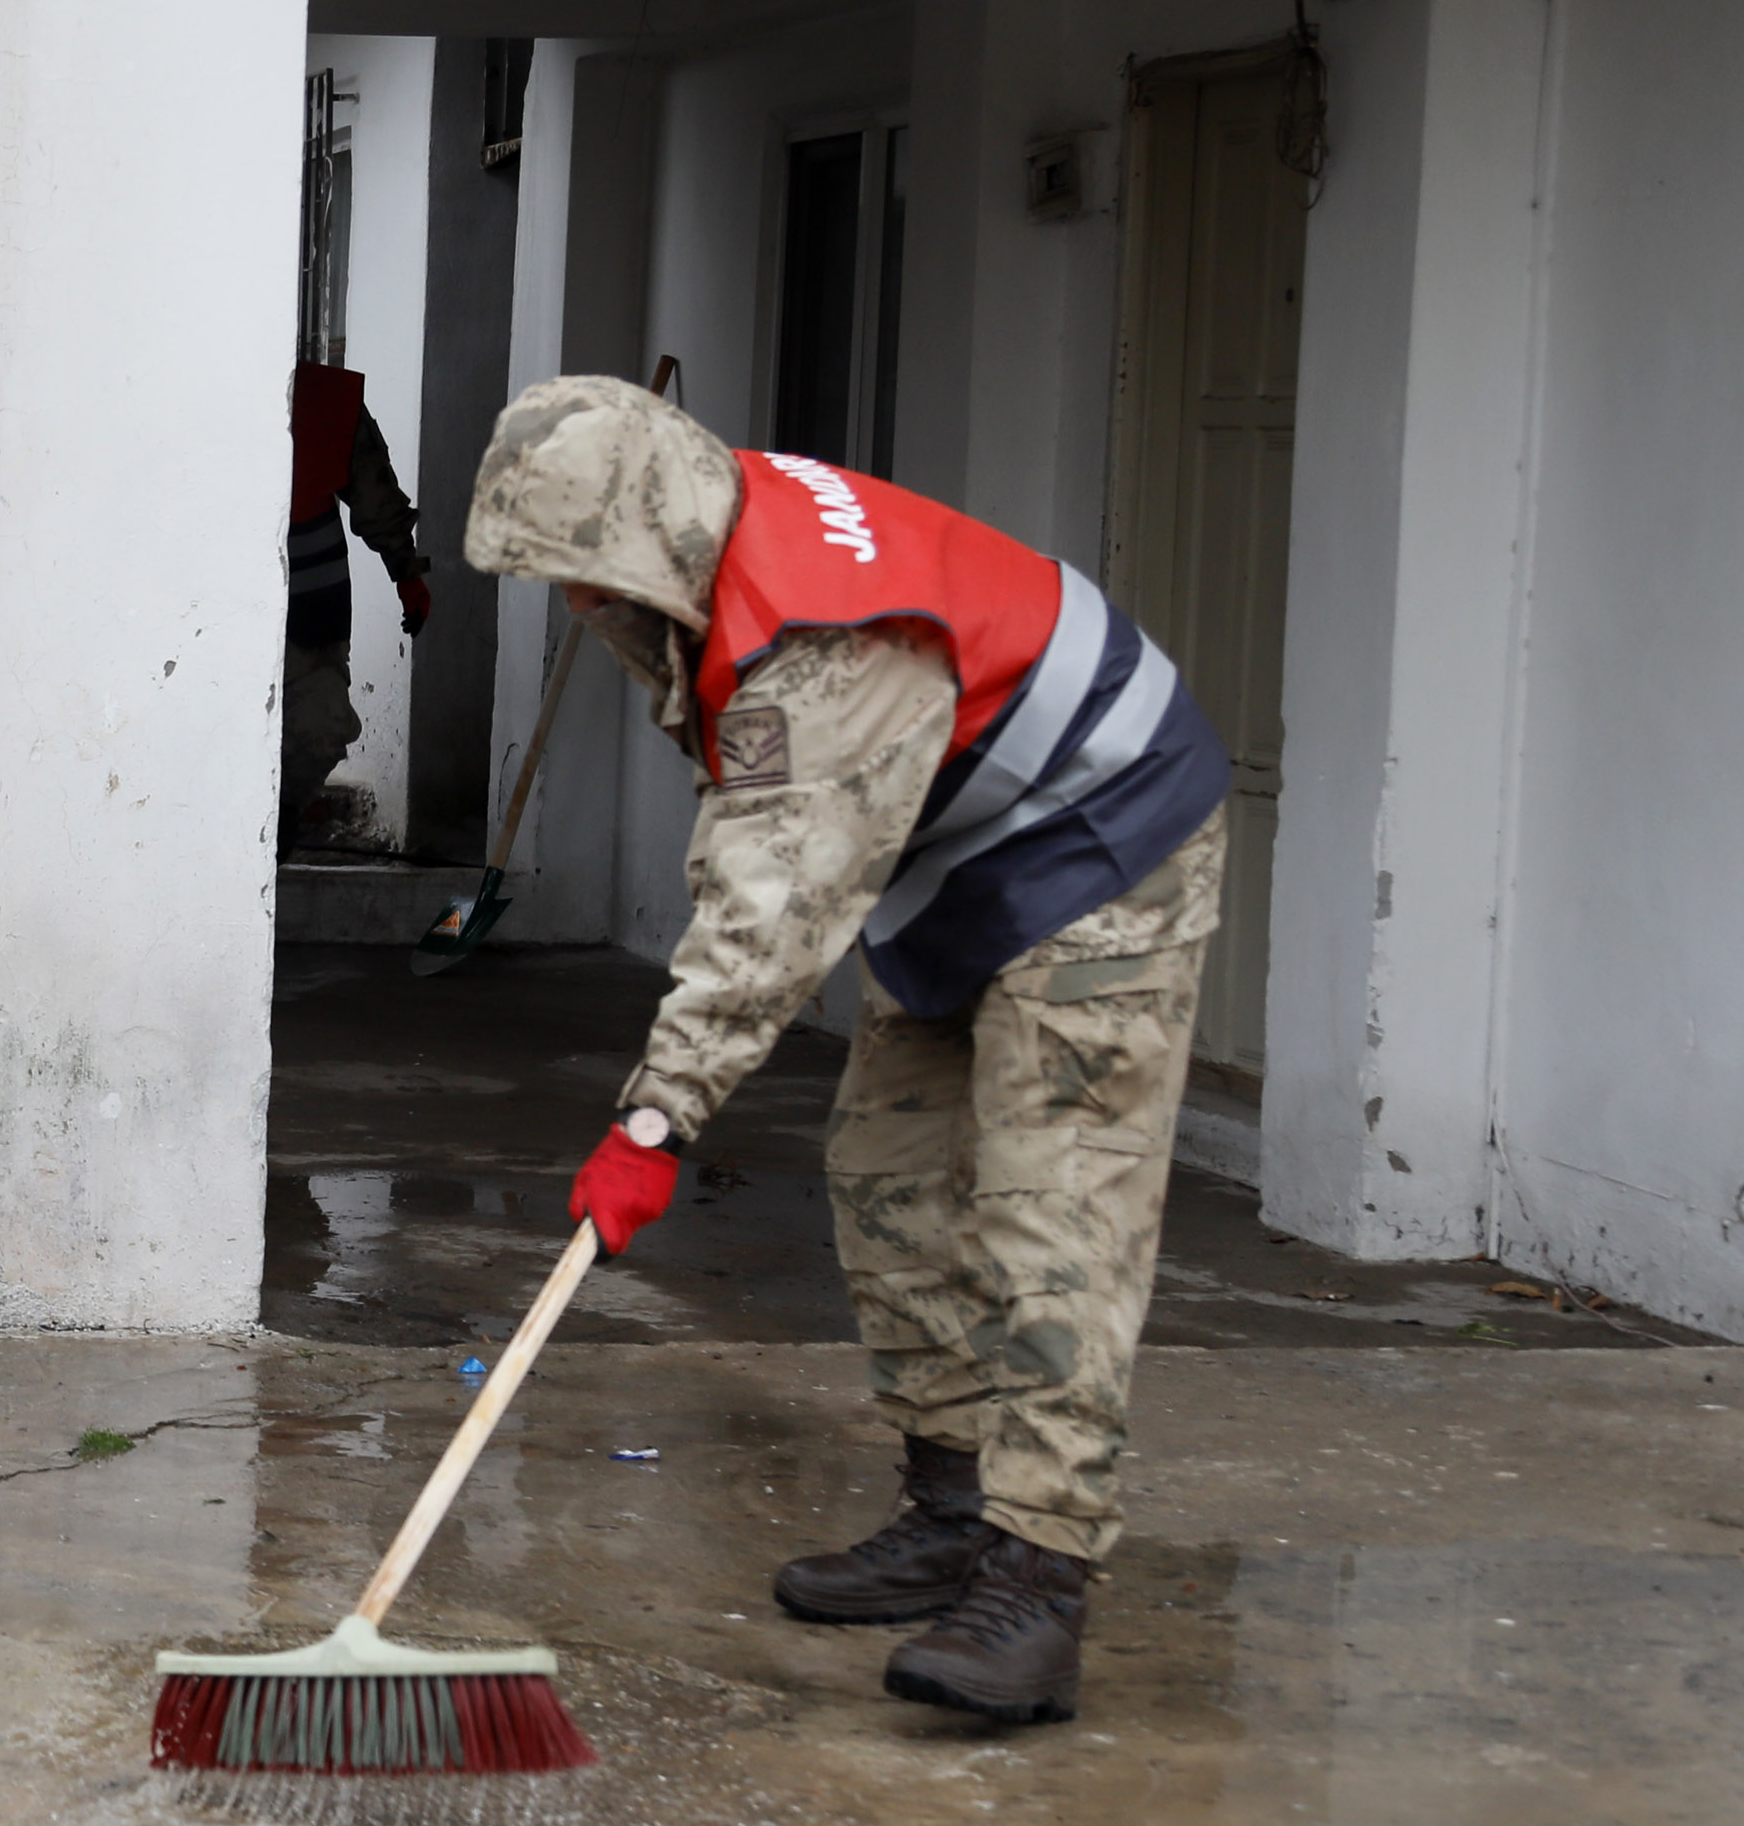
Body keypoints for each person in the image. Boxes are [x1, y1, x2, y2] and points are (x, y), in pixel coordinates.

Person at [458, 374, 1232, 1726]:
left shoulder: (821, 637)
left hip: (1106, 840)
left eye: (582, 577)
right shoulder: (706, 534)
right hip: (961, 843)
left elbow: (767, 915)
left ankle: (1040, 1579)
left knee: (1057, 1206)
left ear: (645, 534)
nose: (577, 607)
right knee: (889, 1166)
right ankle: (949, 1508)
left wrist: (655, 1125)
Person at [281, 359, 431, 848]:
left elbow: (375, 495)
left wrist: (407, 575)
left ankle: (276, 834)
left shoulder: (323, 398)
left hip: (310, 615)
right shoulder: (188, 389)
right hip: (211, 618)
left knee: (320, 730)